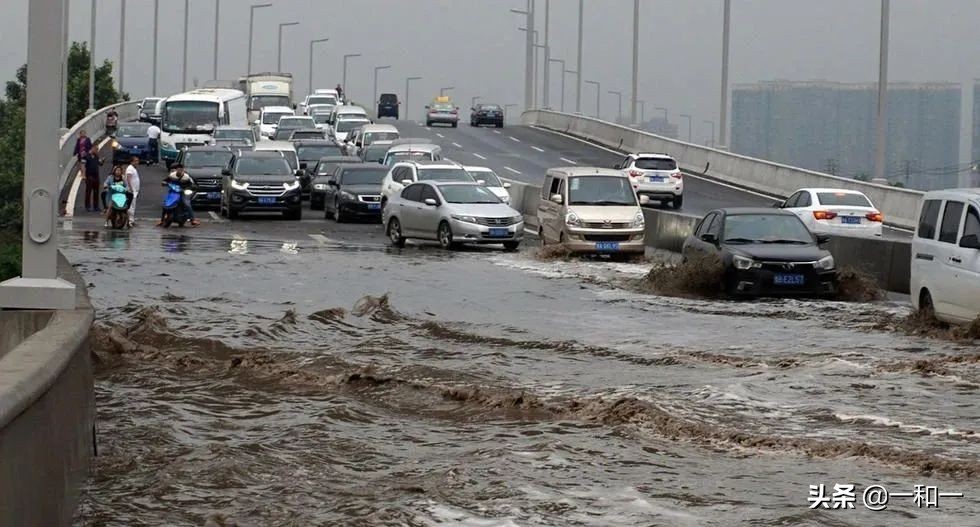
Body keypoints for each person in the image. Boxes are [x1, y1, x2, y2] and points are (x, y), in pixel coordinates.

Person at [158, 163, 200, 227]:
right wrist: (164, 183)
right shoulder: (172, 175)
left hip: (181, 192)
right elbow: (165, 181)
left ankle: (192, 220)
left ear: (183, 169)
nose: (179, 170)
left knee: (186, 203)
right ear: (176, 169)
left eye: (181, 169)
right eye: (178, 169)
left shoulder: (186, 177)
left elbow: (192, 184)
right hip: (172, 192)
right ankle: (162, 220)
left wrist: (188, 188)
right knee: (165, 203)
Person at [81, 145, 103, 212]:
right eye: (96, 149)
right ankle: (87, 206)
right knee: (88, 191)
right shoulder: (85, 156)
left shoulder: (96, 156)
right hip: (89, 175)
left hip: (96, 175)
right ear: (92, 149)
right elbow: (83, 165)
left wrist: (102, 161)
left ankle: (96, 206)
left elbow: (100, 164)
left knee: (96, 191)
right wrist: (83, 175)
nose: (97, 151)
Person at [125, 156, 141, 227]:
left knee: (133, 206)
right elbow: (128, 178)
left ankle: (131, 220)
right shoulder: (130, 168)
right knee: (131, 206)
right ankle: (130, 221)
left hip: (135, 190)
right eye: (135, 161)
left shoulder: (133, 169)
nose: (137, 162)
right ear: (131, 162)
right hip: (131, 190)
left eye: (137, 161)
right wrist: (131, 188)